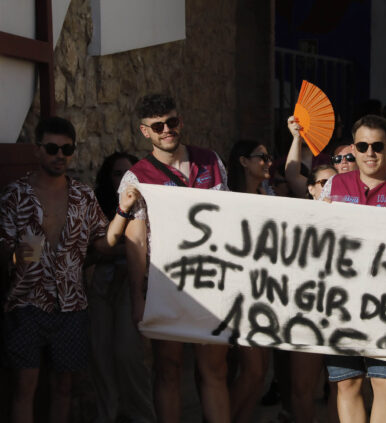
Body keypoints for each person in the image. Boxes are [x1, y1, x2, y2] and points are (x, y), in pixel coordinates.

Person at [0, 117, 139, 423]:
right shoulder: (15, 195)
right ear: (38, 150)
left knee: (64, 387)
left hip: (72, 305)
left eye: (67, 149)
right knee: (25, 387)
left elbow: (103, 244)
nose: (59, 155)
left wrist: (124, 209)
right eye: (52, 148)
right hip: (26, 303)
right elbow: (2, 247)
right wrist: (12, 257)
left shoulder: (82, 195)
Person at [121, 94, 230, 423]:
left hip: (212, 280)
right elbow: (136, 239)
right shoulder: (136, 176)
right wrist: (137, 299)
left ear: (180, 121)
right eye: (158, 126)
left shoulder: (210, 161)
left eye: (172, 122)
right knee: (168, 369)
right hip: (163, 284)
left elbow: (229, 218)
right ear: (145, 132)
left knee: (213, 370)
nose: (167, 130)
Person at [320, 114, 386, 423]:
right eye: (363, 146)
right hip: (342, 304)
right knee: (348, 384)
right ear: (353, 148)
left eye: (377, 146)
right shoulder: (334, 185)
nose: (370, 153)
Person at [90, 152, 155, 423]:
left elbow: (148, 248)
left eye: (128, 174)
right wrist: (123, 251)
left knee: (129, 354)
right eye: (117, 174)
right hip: (101, 286)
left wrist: (118, 252)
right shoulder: (98, 204)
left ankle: (141, 415)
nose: (124, 180)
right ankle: (107, 415)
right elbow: (94, 247)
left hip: (133, 286)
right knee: (101, 355)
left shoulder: (147, 206)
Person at [225, 139, 276, 422]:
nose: (268, 162)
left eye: (269, 158)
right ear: (243, 161)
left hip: (267, 294)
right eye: (262, 157)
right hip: (239, 295)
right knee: (252, 371)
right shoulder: (227, 198)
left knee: (259, 375)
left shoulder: (268, 196)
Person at [284, 116, 337, 197]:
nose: (330, 187)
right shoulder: (283, 161)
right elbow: (292, 177)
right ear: (311, 189)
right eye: (324, 183)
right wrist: (297, 137)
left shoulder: (327, 160)